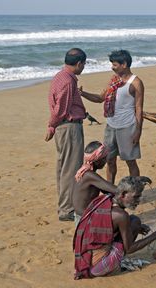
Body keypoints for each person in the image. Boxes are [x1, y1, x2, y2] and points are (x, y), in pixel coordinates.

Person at [73, 176, 156, 279]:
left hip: (84, 261)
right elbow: (129, 249)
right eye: (136, 197)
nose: (138, 201)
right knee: (135, 221)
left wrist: (137, 227)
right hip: (97, 267)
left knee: (134, 222)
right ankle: (112, 265)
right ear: (123, 194)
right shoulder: (121, 215)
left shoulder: (106, 199)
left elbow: (108, 226)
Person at [80, 50, 145, 183]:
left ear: (124, 64)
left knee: (130, 162)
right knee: (109, 160)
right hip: (111, 127)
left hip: (128, 127)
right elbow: (100, 98)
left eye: (115, 65)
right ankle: (110, 190)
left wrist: (138, 131)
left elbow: (139, 108)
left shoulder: (136, 83)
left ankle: (135, 191)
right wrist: (82, 93)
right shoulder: (114, 81)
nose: (112, 67)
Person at [45, 48, 87, 222]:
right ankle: (67, 209)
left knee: (64, 169)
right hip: (69, 127)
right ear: (78, 63)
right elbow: (60, 109)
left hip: (64, 127)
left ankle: (65, 206)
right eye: (84, 64)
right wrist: (51, 125)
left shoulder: (60, 76)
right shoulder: (68, 82)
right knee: (71, 170)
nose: (84, 67)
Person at [72, 141, 117, 225]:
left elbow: (107, 190)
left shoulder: (85, 172)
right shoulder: (89, 175)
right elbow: (116, 190)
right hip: (85, 219)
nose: (106, 161)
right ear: (98, 161)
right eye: (104, 158)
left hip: (82, 216)